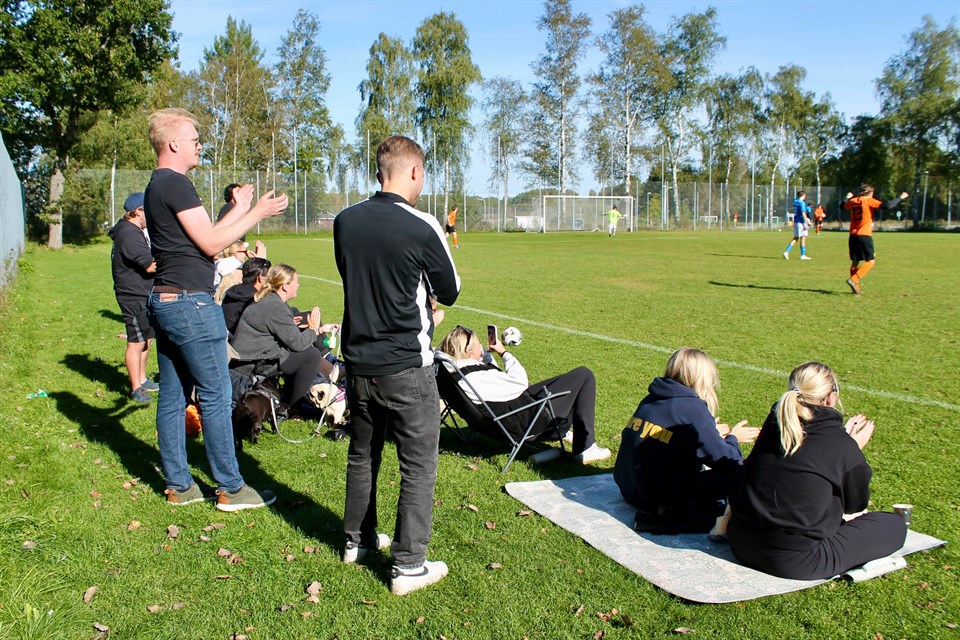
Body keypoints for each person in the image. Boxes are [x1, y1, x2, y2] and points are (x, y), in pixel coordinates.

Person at [334, 135, 460, 596]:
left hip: (358, 362)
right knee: (419, 465)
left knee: (362, 454)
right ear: (414, 172)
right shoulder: (422, 224)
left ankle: (358, 540)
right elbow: (450, 289)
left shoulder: (345, 220)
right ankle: (408, 565)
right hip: (406, 365)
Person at [143, 107, 287, 511]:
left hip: (167, 301)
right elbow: (210, 244)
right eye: (194, 139)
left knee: (173, 396)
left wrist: (239, 208)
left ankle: (179, 485)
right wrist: (257, 213)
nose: (199, 145)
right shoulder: (176, 184)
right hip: (190, 303)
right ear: (173, 143)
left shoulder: (158, 184)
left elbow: (205, 237)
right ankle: (230, 487)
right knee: (216, 394)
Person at [728, 362, 907, 580]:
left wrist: (845, 445)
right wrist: (851, 448)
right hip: (795, 560)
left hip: (740, 541)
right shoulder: (840, 444)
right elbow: (855, 504)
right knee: (894, 526)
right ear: (831, 398)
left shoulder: (776, 423)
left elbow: (804, 455)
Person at [613, 348, 758, 533]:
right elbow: (727, 460)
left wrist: (711, 433)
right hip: (655, 498)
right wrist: (733, 438)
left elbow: (672, 440)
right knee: (740, 474)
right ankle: (663, 520)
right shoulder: (692, 407)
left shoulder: (651, 397)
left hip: (628, 488)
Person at [437, 326, 611, 464]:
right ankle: (585, 448)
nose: (482, 348)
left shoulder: (455, 369)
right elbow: (520, 381)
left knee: (560, 382)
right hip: (526, 422)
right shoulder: (479, 378)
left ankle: (562, 432)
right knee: (584, 375)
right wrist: (504, 353)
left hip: (506, 415)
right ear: (468, 352)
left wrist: (486, 356)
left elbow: (494, 376)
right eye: (478, 345)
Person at [230, 263, 340, 412]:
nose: (298, 285)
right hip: (253, 364)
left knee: (301, 353)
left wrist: (320, 329)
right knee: (311, 355)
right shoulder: (275, 307)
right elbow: (298, 344)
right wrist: (313, 329)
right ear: (285, 286)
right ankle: (292, 406)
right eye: (296, 282)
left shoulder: (269, 300)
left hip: (250, 357)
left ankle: (289, 399)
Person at [109, 192, 158, 405]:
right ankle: (136, 388)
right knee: (136, 341)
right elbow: (150, 266)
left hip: (143, 292)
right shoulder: (129, 234)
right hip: (133, 295)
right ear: (138, 211)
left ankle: (143, 379)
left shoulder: (133, 231)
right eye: (149, 210)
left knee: (146, 339)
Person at [841, 184, 908, 295]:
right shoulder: (868, 200)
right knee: (870, 261)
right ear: (870, 193)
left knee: (855, 261)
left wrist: (846, 197)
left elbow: (842, 206)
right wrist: (901, 197)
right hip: (864, 235)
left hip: (853, 235)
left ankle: (856, 287)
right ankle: (854, 279)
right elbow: (888, 206)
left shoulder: (852, 201)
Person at [221, 257, 271, 335]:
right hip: (243, 338)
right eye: (269, 275)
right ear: (260, 277)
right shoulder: (255, 298)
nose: (271, 278)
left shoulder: (234, 290)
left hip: (228, 335)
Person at [783, 191, 813, 260]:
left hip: (796, 222)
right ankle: (803, 255)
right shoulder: (802, 203)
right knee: (803, 238)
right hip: (801, 222)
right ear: (803, 195)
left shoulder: (795, 201)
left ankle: (786, 252)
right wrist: (806, 222)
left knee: (795, 238)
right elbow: (803, 213)